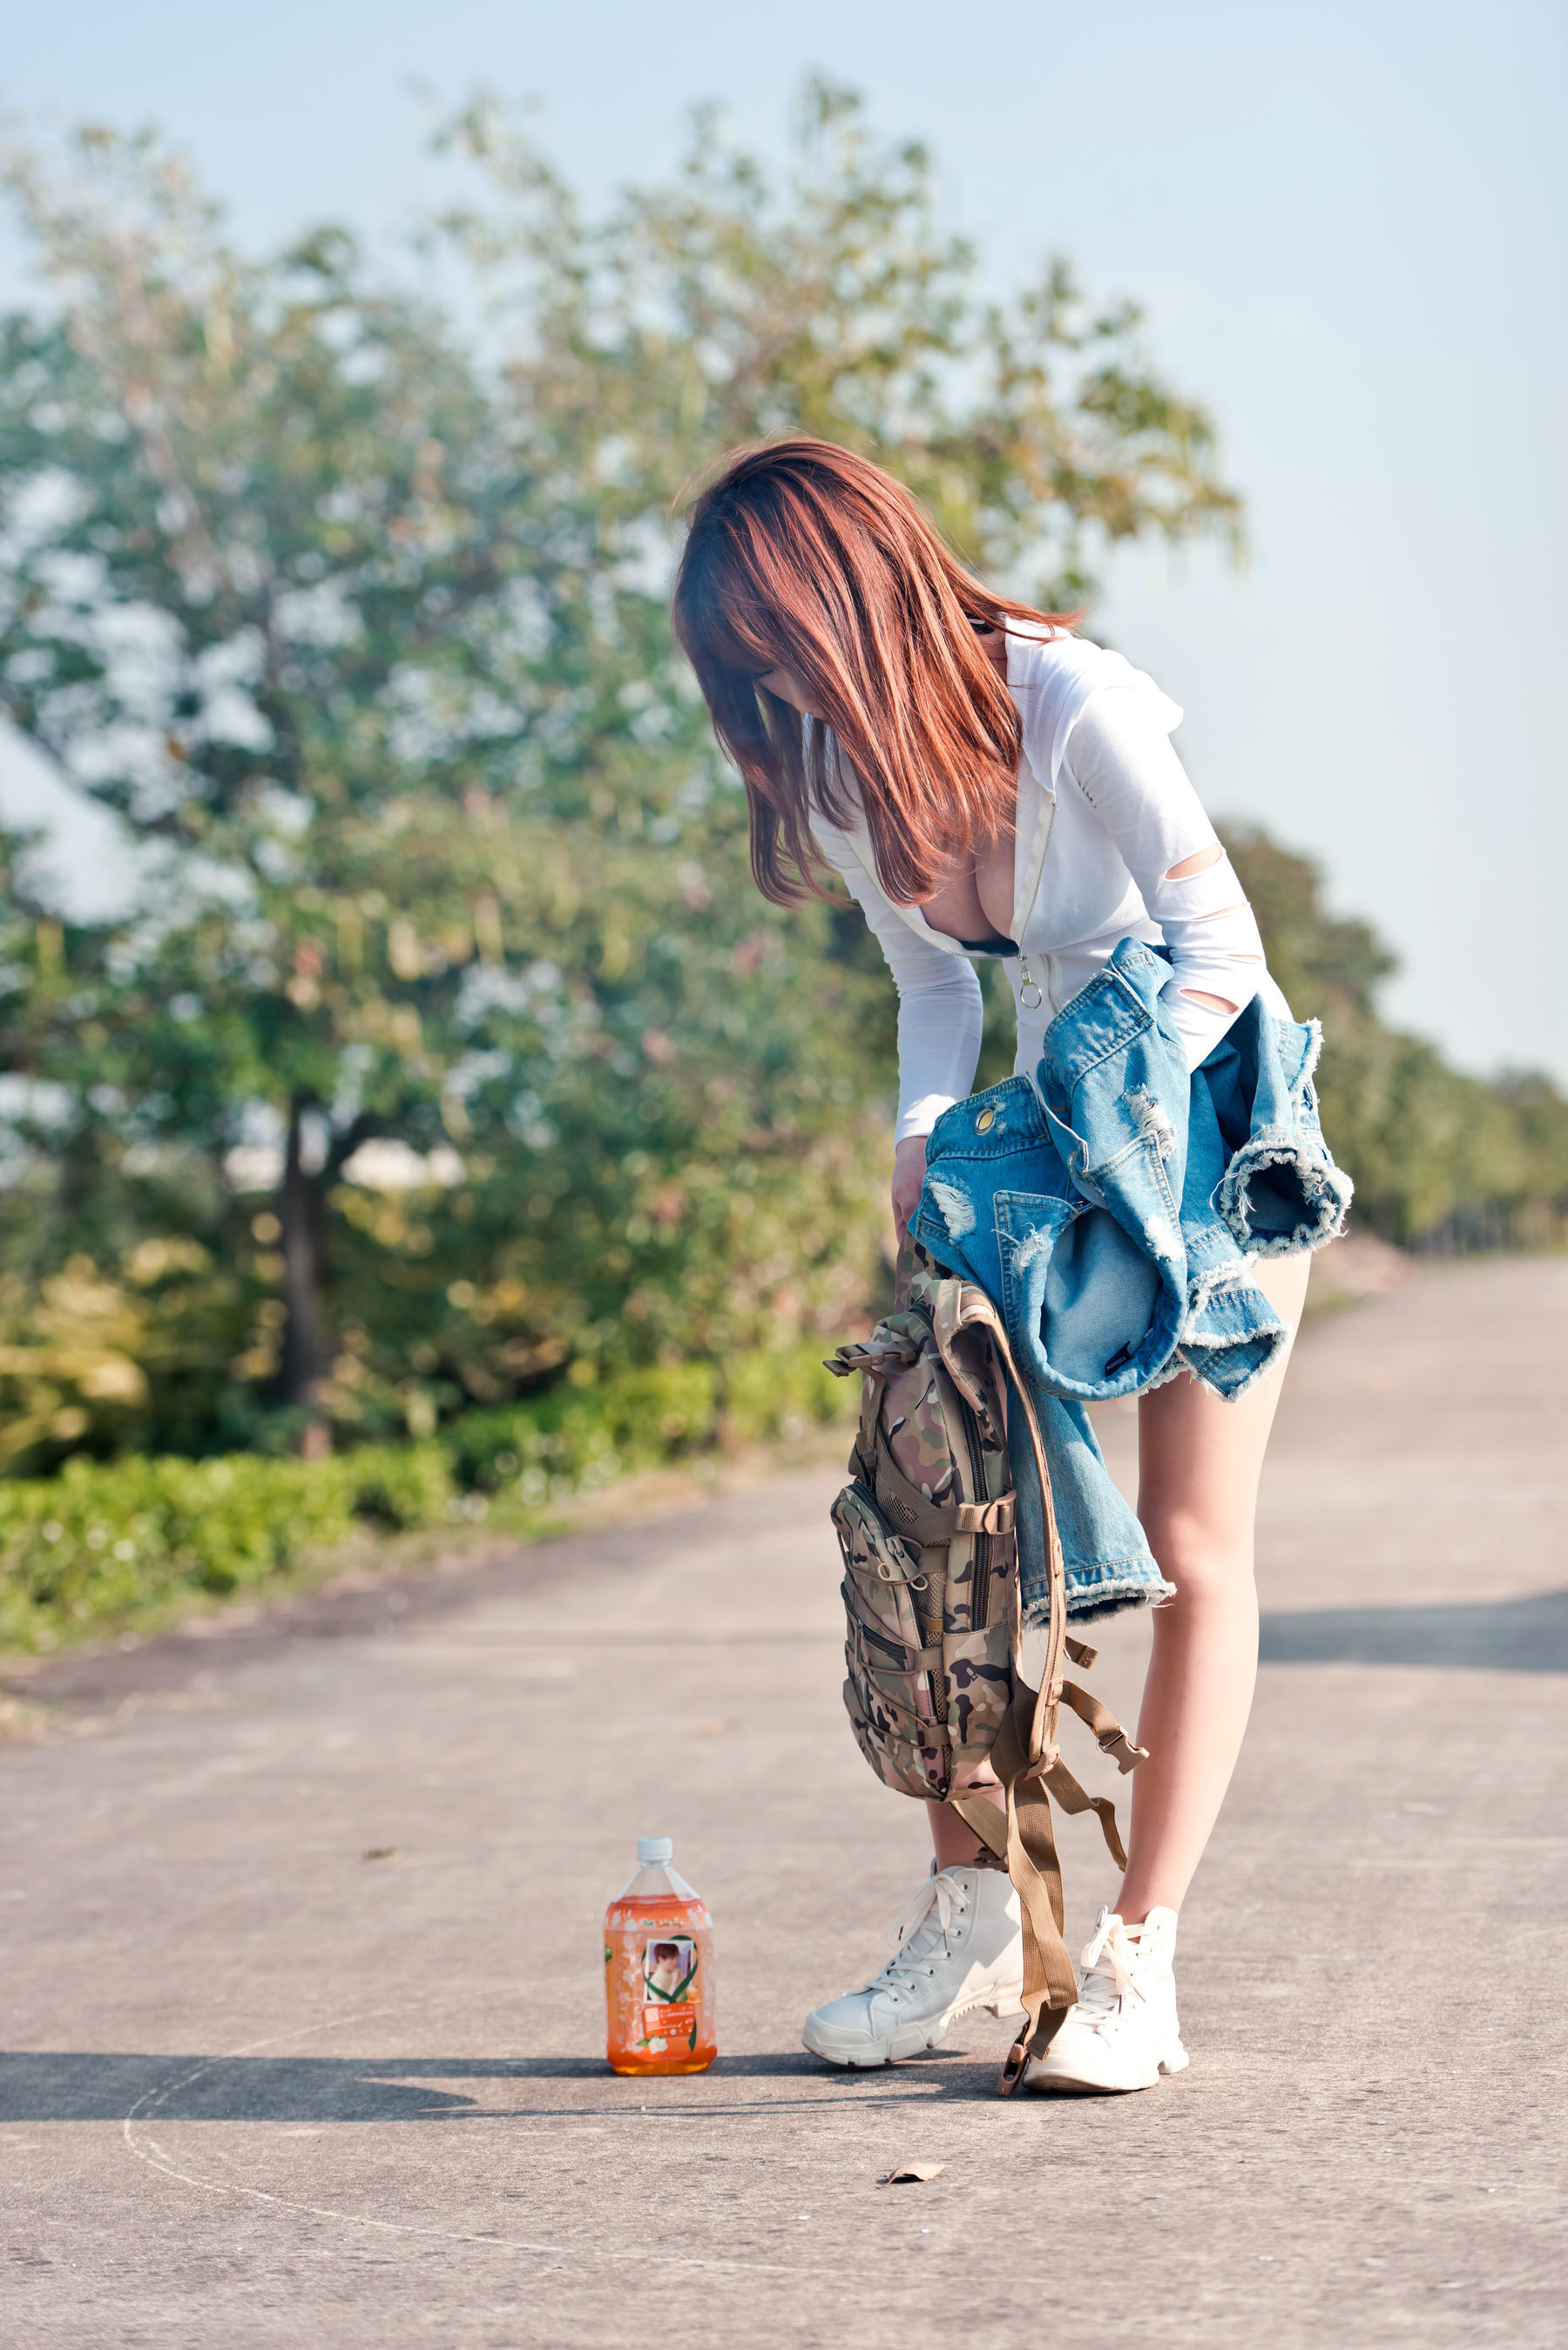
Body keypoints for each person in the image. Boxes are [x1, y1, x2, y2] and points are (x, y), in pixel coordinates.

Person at [672, 437, 1321, 2095]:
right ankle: (967, 1919)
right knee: (959, 1537)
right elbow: (935, 989)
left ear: (853, 599)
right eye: (744, 677)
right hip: (1037, 1167)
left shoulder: (1072, 705)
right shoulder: (837, 765)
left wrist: (1080, 1135)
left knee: (1190, 1545)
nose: (769, 702)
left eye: (777, 653)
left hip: (1207, 1141)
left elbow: (1221, 959)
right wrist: (921, 1138)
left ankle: (1138, 1962)